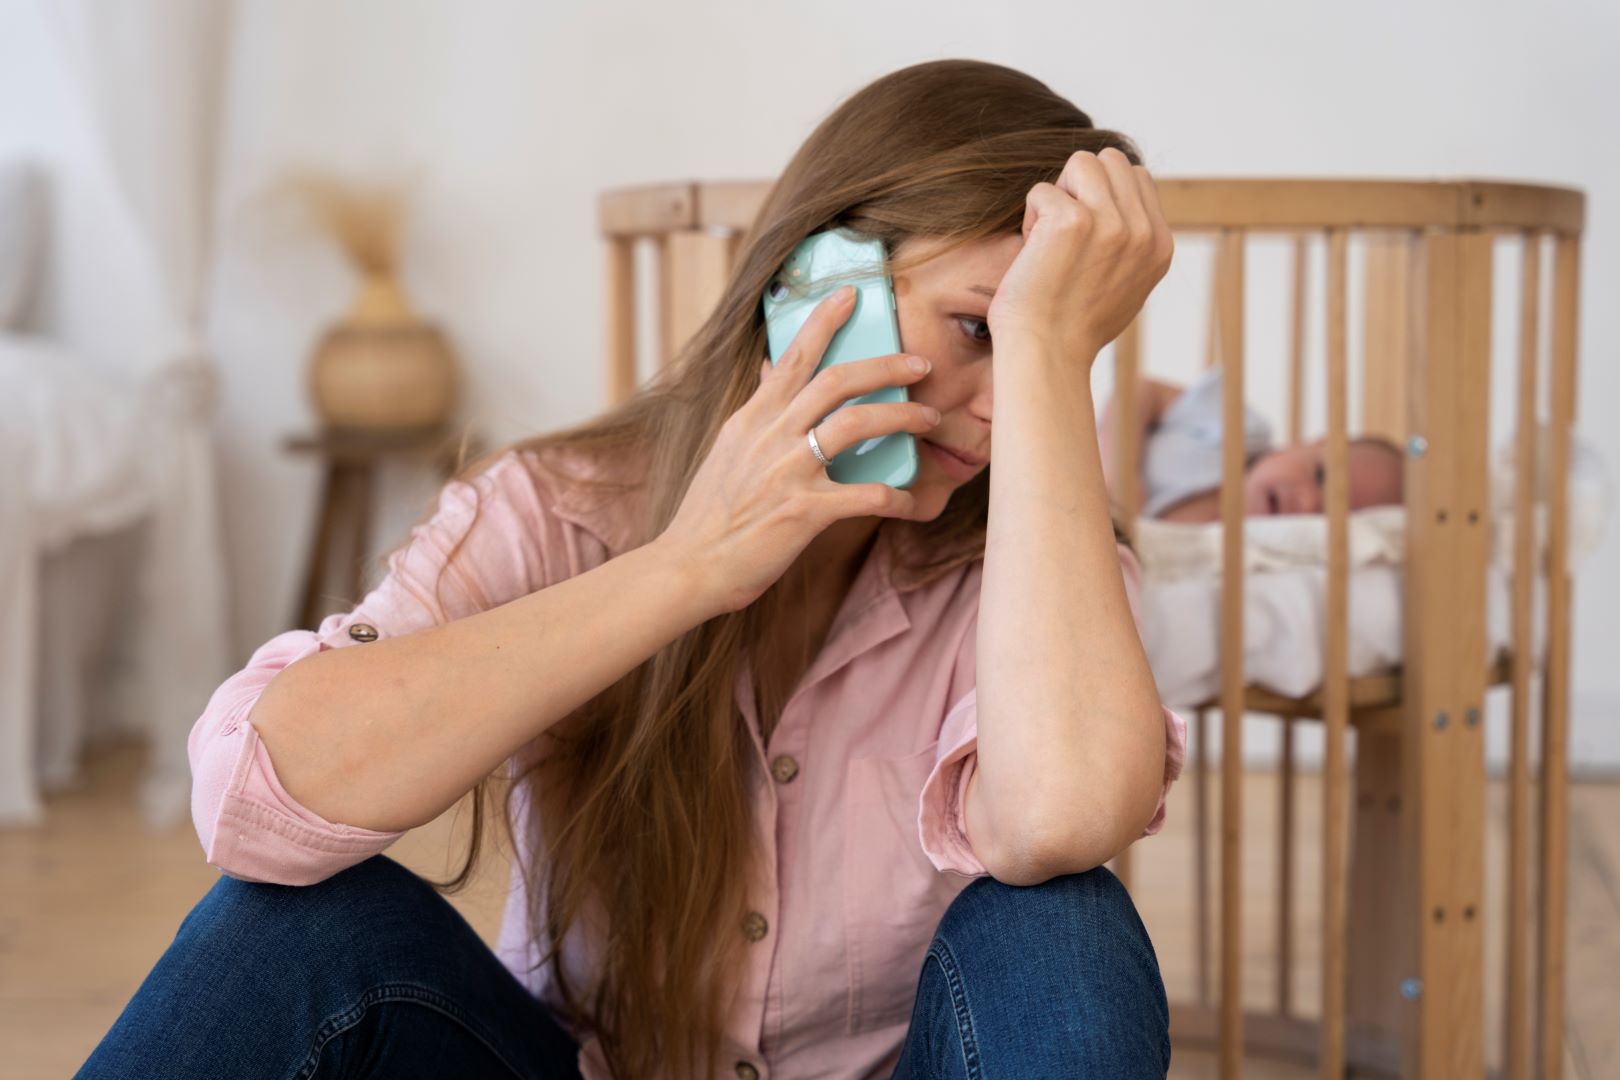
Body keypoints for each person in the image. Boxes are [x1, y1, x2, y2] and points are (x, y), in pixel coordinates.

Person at [78, 60, 1187, 1080]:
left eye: (1047, 353)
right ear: (816, 285)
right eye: (980, 331)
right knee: (290, 925)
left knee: (1064, 921)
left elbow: (1058, 821)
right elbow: (253, 801)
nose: (1001, 413)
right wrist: (687, 567)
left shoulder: (1043, 577)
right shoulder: (554, 508)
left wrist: (1045, 351)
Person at [1098, 368, 1406, 522]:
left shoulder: (1246, 561)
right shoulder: (1241, 430)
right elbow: (1138, 390)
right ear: (1308, 444)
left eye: (1328, 516)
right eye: (1321, 476)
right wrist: (1119, 470)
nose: (1308, 502)